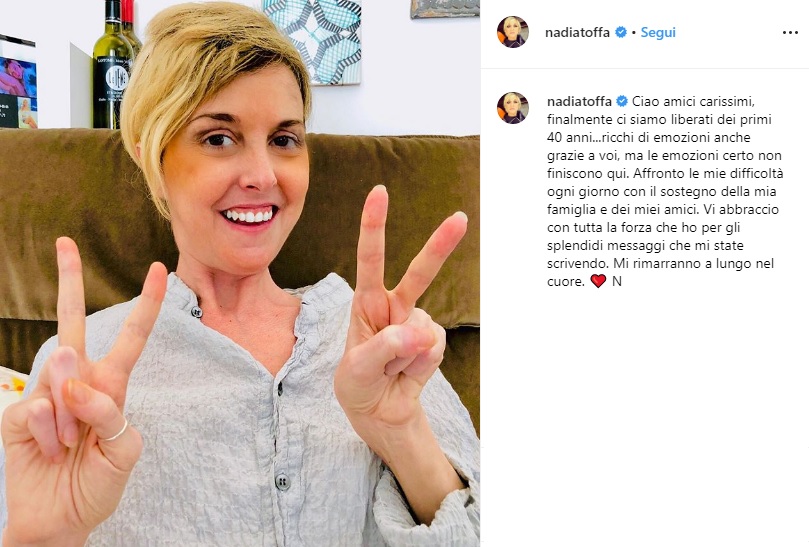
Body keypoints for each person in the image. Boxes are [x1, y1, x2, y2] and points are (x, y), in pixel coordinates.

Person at [0, 3, 480, 546]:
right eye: (218, 138)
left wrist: (400, 432)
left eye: (284, 140)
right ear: (152, 159)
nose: (262, 175)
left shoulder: (378, 339)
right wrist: (40, 539)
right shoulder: (79, 364)